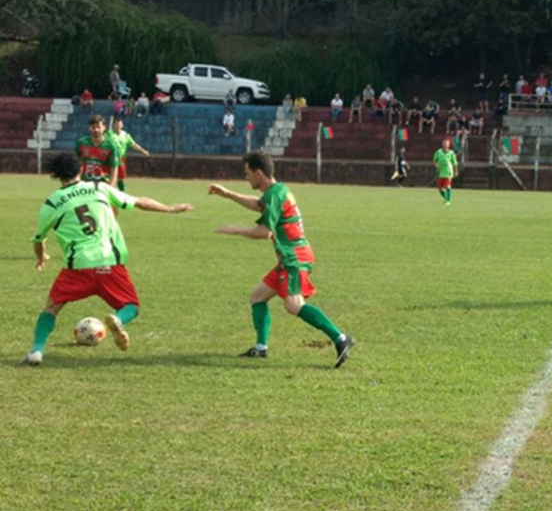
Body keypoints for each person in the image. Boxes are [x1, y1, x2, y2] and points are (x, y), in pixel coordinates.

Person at [22, 153, 193, 365]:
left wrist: (42, 257)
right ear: (80, 170)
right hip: (109, 262)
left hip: (78, 267)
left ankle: (37, 351)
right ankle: (118, 319)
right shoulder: (99, 188)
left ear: (56, 175)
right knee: (131, 306)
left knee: (52, 308)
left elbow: (38, 240)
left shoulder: (51, 203)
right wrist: (171, 208)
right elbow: (140, 202)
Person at [208, 152, 355, 366]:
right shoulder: (277, 191)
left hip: (294, 257)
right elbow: (260, 204)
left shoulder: (274, 195)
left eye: (247, 174)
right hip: (290, 255)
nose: (245, 178)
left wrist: (236, 229)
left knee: (294, 305)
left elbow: (265, 231)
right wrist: (228, 194)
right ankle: (260, 348)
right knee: (257, 296)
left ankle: (341, 339)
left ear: (259, 173)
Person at [109, 118, 150, 192]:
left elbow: (133, 144)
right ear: (113, 125)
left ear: (122, 125)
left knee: (120, 178)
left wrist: (143, 151)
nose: (118, 125)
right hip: (109, 159)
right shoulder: (109, 135)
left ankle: (122, 193)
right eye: (116, 124)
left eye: (119, 124)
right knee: (109, 176)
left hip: (120, 159)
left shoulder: (125, 135)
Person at [77, 114, 119, 184]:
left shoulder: (111, 146)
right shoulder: (81, 143)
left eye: (98, 127)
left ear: (104, 128)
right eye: (93, 127)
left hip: (103, 185)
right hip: (85, 185)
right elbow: (77, 163)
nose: (96, 130)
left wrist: (110, 187)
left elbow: (114, 168)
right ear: (89, 128)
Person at [433, 138, 458, 206]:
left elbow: (455, 163)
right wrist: (436, 165)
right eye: (444, 143)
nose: (445, 144)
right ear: (442, 144)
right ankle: (446, 198)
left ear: (449, 145)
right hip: (440, 172)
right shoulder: (438, 152)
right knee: (440, 189)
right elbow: (435, 160)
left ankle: (448, 201)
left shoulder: (451, 153)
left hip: (448, 172)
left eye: (446, 143)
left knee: (447, 186)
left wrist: (456, 171)